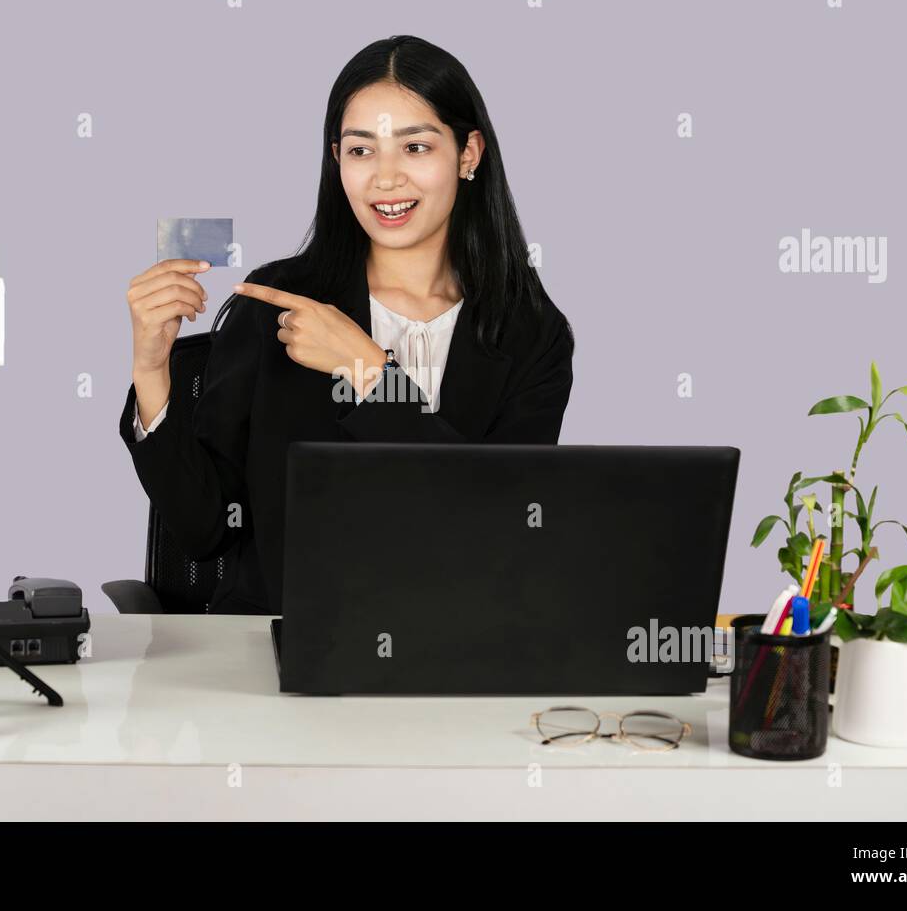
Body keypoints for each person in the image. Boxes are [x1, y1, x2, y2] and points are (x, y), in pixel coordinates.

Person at [119, 35, 574, 615]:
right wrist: (151, 367)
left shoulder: (531, 333)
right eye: (361, 151)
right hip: (285, 650)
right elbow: (203, 529)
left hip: (456, 644)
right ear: (337, 161)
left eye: (415, 147)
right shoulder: (277, 303)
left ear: (468, 154)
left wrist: (369, 372)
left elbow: (498, 525)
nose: (385, 179)